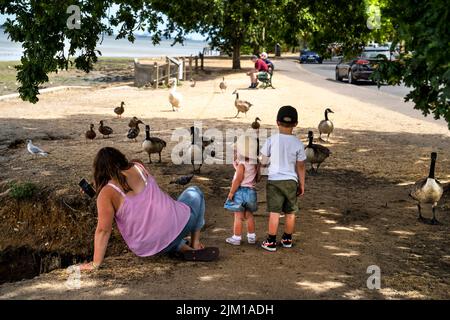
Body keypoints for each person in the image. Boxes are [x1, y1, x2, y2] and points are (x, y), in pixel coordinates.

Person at [79, 147, 218, 271]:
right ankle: (194, 242)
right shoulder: (138, 166)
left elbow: (103, 230)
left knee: (162, 232)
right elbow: (125, 174)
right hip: (174, 226)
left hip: (147, 248)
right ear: (121, 159)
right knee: (194, 191)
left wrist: (95, 264)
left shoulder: (106, 193)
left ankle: (180, 246)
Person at [259, 106, 306, 252]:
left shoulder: (271, 140)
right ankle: (287, 239)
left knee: (275, 211)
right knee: (290, 212)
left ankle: (271, 241)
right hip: (291, 181)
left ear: (277, 122)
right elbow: (301, 166)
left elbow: (263, 161)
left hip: (274, 181)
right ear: (296, 124)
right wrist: (302, 184)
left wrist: (259, 174)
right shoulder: (298, 143)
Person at [224, 135, 260, 246]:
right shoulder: (255, 163)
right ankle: (251, 236)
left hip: (240, 191)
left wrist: (231, 192)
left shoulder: (241, 165)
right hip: (251, 191)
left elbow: (238, 179)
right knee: (249, 215)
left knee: (238, 216)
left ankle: (237, 237)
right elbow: (258, 178)